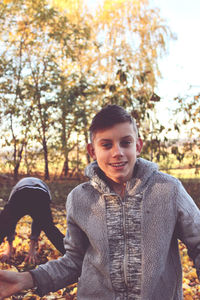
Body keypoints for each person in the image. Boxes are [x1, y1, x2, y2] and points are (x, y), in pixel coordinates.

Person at [0, 104, 200, 299]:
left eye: (126, 142)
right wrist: (26, 279)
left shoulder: (168, 190)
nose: (117, 152)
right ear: (92, 151)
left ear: (138, 146)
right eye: (106, 145)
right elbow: (73, 261)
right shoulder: (80, 199)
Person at [0, 177, 65, 264]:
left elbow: (10, 222)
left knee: (3, 225)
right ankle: (73, 253)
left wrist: (10, 247)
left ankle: (73, 254)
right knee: (49, 229)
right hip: (32, 193)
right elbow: (38, 221)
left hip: (28, 193)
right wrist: (31, 249)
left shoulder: (15, 193)